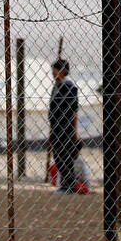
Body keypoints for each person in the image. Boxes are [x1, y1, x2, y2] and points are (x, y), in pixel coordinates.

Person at [48, 59, 78, 194]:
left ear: (62, 71)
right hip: (56, 127)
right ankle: (65, 184)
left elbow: (73, 110)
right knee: (58, 155)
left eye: (55, 69)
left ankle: (68, 185)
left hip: (65, 127)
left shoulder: (68, 86)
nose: (53, 72)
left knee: (65, 155)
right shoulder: (57, 86)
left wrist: (74, 130)